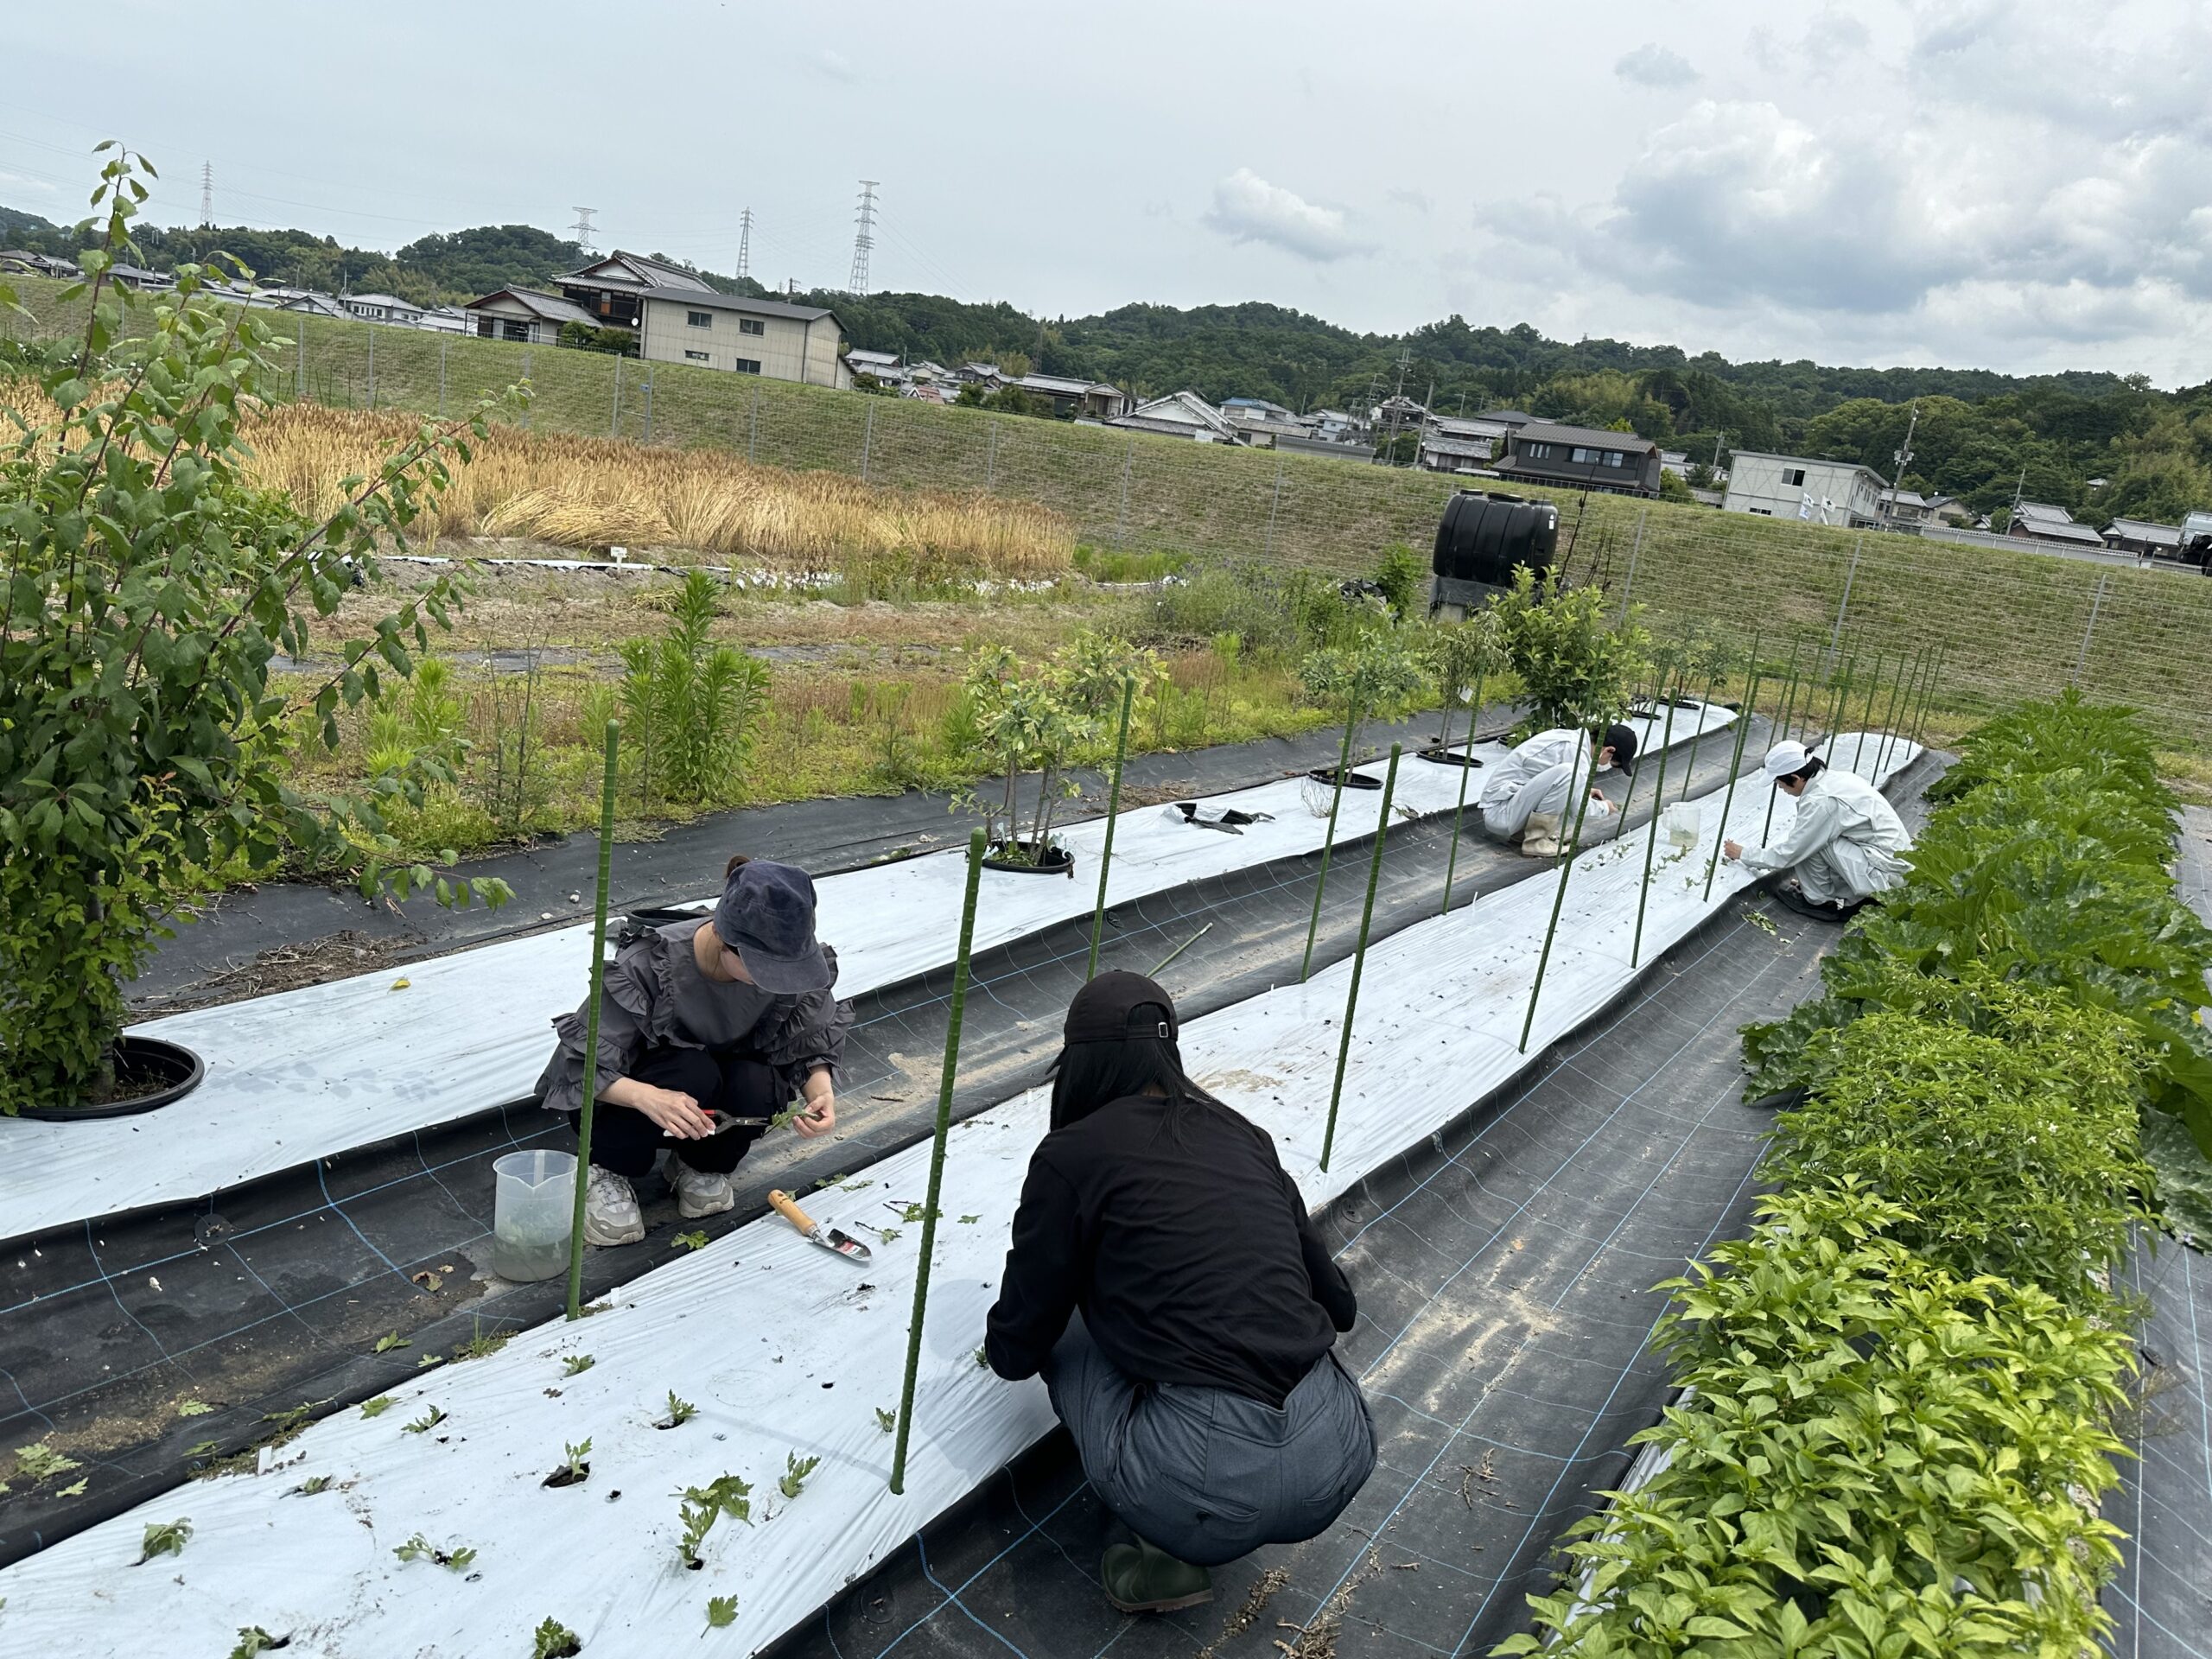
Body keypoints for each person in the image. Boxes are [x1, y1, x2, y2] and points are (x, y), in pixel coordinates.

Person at [985, 972, 1376, 1616]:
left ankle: (1164, 1561)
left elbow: (1016, 1349)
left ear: (1079, 1063)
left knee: (1071, 1327)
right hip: (1337, 1453)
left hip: (1198, 1486)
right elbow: (1340, 1307)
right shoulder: (1244, 1135)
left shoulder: (1071, 1155)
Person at [535, 855, 852, 1246]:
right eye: (764, 968)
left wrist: (821, 1093)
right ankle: (607, 1169)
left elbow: (809, 1039)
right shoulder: (649, 964)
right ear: (724, 939)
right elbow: (576, 1068)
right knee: (691, 1071)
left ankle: (695, 1164)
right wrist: (647, 1097)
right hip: (640, 1096)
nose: (776, 982)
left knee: (757, 1082)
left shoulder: (789, 969)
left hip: (708, 1106)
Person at [1723, 741, 1912, 920]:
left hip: (1885, 878)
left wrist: (1744, 854)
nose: (1780, 788)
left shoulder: (1821, 802)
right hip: (1892, 866)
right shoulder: (1838, 778)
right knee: (1816, 836)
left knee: (1810, 841)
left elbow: (1791, 852)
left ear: (1796, 778)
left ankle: (1818, 901)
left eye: (1780, 784)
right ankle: (1837, 893)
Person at [1478, 721, 1638, 855]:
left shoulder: (1573, 741)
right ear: (1609, 750)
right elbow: (1577, 808)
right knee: (1570, 773)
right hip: (1500, 813)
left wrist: (1582, 789)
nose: (1606, 766)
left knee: (1570, 775)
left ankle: (1525, 836)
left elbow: (1546, 782)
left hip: (1508, 806)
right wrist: (1604, 808)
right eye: (1611, 763)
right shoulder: (1575, 752)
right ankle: (1536, 842)